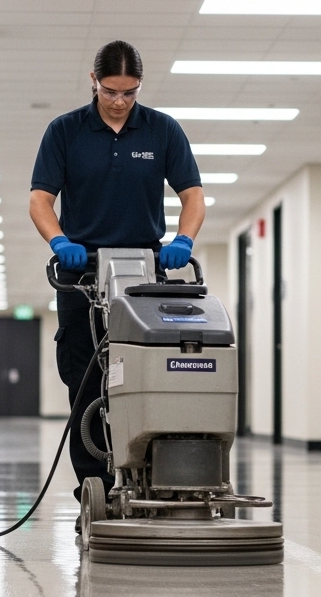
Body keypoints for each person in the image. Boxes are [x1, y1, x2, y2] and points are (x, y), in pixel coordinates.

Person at [29, 40, 205, 530]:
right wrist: (59, 240)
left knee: (148, 377)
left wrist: (182, 240)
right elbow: (40, 199)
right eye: (110, 91)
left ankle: (151, 476)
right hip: (81, 273)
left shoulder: (162, 130)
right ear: (94, 81)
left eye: (130, 92)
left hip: (144, 276)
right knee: (85, 383)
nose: (120, 101)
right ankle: (95, 489)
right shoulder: (65, 131)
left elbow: (193, 195)